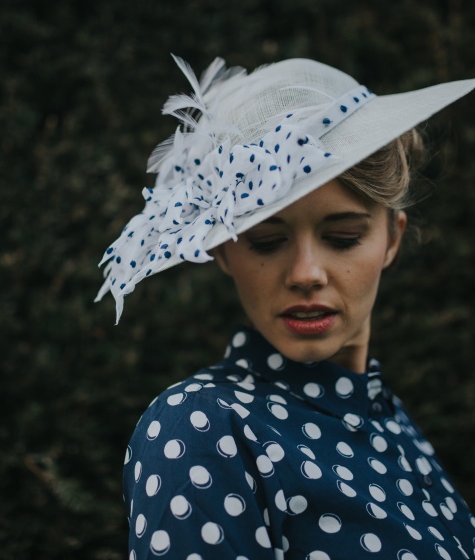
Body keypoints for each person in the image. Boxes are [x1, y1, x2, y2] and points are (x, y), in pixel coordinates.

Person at [97, 56, 475, 559]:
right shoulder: (202, 427)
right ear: (223, 251)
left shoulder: (390, 421)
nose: (305, 273)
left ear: (391, 239)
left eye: (343, 237)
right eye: (267, 241)